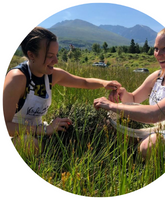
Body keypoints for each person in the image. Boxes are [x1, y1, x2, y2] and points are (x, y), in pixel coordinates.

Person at [3, 27, 121, 155]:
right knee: (29, 143)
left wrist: (104, 83)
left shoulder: (51, 74)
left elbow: (84, 82)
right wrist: (44, 129)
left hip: (41, 132)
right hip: (17, 137)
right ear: (31, 55)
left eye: (56, 55)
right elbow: (5, 126)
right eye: (50, 56)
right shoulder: (17, 78)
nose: (56, 61)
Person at [94, 28, 165, 159]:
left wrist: (110, 105)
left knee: (148, 145)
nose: (158, 54)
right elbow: (134, 99)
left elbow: (156, 114)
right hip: (158, 131)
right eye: (156, 49)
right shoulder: (157, 76)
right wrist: (123, 93)